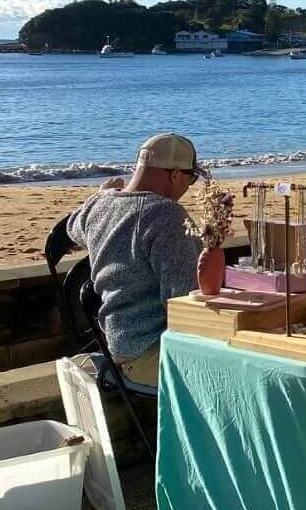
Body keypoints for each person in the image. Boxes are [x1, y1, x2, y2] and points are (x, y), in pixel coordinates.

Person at [64, 133, 204, 387]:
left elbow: (72, 226)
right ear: (174, 175)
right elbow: (185, 300)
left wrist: (100, 196)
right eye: (191, 177)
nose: (189, 186)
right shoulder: (166, 215)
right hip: (153, 351)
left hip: (118, 345)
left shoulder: (101, 205)